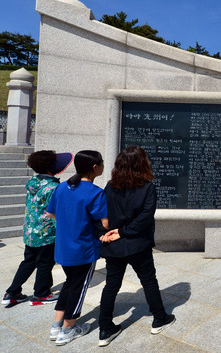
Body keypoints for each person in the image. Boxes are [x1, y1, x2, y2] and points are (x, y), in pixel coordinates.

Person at [97, 146, 175, 347]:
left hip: (114, 243)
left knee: (111, 285)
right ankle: (159, 318)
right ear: (142, 163)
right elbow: (145, 217)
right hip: (137, 244)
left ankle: (105, 328)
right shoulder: (147, 187)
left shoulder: (110, 186)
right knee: (148, 281)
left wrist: (108, 233)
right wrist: (121, 232)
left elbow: (102, 213)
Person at [45, 150, 108, 346]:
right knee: (78, 289)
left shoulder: (62, 187)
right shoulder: (96, 192)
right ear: (95, 167)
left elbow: (50, 214)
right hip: (84, 249)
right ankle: (68, 329)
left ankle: (57, 325)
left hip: (63, 248)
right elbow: (105, 224)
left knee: (69, 284)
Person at [2, 151, 73, 306]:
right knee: (45, 264)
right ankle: (41, 294)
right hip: (46, 233)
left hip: (30, 232)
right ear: (50, 168)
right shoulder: (53, 187)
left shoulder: (32, 182)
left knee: (28, 261)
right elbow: (55, 213)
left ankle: (12, 292)